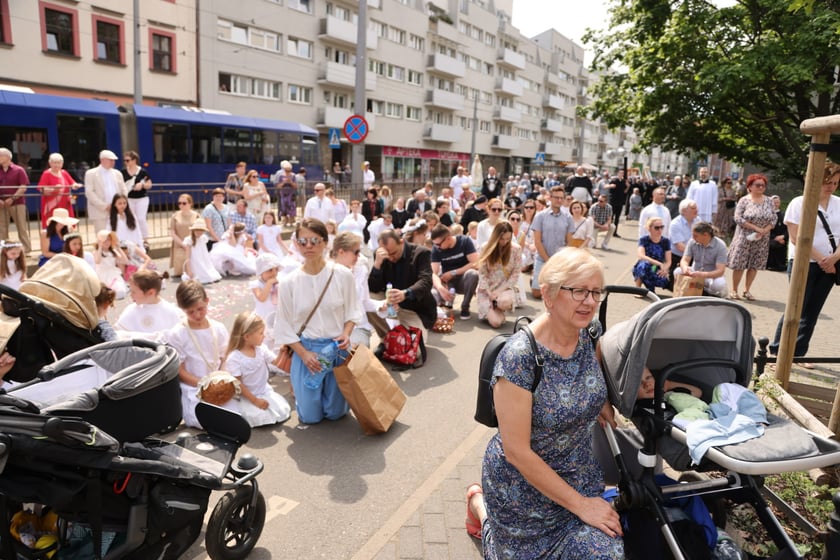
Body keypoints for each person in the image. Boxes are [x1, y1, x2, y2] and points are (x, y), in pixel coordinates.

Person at [465, 249, 623, 558]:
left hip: (578, 474)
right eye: (578, 290)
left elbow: (591, 368)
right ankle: (481, 508)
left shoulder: (590, 331)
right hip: (522, 488)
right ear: (548, 295)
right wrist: (582, 506)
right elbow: (517, 452)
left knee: (607, 553)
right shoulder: (519, 358)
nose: (589, 301)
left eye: (595, 292)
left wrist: (599, 399)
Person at [274, 218, 360, 424]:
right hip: (307, 352)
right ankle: (303, 394)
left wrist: (346, 333)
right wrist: (303, 354)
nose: (309, 246)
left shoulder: (342, 274)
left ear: (325, 242)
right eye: (303, 241)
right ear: (296, 244)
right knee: (310, 417)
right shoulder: (288, 282)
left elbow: (352, 311)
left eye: (314, 240)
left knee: (336, 413)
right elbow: (283, 325)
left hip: (336, 349)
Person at [769, 162, 840, 358]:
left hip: (830, 265)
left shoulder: (838, 203)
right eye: (828, 182)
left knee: (813, 312)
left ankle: (799, 353)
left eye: (835, 183)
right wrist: (822, 259)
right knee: (795, 308)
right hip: (804, 263)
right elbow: (796, 237)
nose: (831, 187)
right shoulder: (799, 202)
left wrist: (833, 259)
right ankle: (777, 352)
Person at [167, 280, 235, 428]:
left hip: (219, 383)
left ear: (207, 301)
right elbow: (180, 370)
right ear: (182, 309)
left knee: (237, 415)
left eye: (200, 309)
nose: (197, 315)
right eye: (190, 312)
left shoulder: (218, 328)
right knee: (204, 420)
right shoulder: (178, 333)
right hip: (193, 387)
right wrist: (204, 384)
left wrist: (221, 379)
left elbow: (225, 358)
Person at [368, 229, 436, 362]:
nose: (391, 258)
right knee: (368, 300)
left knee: (413, 353)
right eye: (388, 255)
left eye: (393, 253)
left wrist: (406, 294)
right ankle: (387, 339)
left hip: (414, 309)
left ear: (401, 242)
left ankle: (398, 341)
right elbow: (373, 288)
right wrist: (377, 264)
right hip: (390, 303)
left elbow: (426, 281)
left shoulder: (420, 253)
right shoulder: (382, 256)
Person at [222, 311, 291, 427]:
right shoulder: (234, 357)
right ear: (247, 336)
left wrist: (282, 352)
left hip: (264, 391)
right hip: (248, 396)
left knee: (281, 409)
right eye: (260, 333)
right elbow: (238, 384)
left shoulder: (261, 349)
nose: (264, 336)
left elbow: (276, 363)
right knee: (259, 416)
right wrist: (255, 400)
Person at [725, 174, 775, 301]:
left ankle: (747, 290)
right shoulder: (744, 200)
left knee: (754, 264)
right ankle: (734, 290)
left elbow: (774, 218)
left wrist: (764, 230)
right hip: (745, 236)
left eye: (763, 185)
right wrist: (756, 228)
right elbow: (738, 218)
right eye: (757, 185)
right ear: (750, 186)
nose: (760, 187)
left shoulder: (769, 201)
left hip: (762, 238)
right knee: (740, 264)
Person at [331, 232, 378, 347]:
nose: (359, 256)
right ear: (341, 252)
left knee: (354, 350)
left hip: (358, 327)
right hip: (331, 329)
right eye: (356, 252)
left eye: (359, 252)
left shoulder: (361, 270)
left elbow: (365, 302)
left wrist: (384, 305)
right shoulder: (326, 273)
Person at [530, 186, 575, 298]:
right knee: (537, 294)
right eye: (556, 198)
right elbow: (537, 241)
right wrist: (547, 261)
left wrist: (560, 260)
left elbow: (570, 242)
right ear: (550, 198)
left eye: (561, 198)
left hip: (560, 260)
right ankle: (535, 278)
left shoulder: (568, 217)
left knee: (557, 294)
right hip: (542, 258)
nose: (559, 200)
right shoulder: (540, 216)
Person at [114, 269, 183, 340]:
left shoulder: (171, 311)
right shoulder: (131, 310)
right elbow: (117, 335)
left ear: (151, 292)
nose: (131, 295)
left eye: (134, 292)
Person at [476, 221, 522, 328]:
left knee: (504, 302)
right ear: (496, 236)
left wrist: (498, 292)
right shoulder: (485, 247)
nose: (505, 242)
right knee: (496, 323)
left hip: (504, 288)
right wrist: (489, 292)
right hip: (486, 288)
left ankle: (499, 307)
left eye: (508, 238)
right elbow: (482, 273)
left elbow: (515, 274)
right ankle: (494, 311)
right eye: (502, 238)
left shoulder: (516, 249)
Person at [430, 223, 479, 319]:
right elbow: (433, 273)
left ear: (448, 238)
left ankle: (465, 307)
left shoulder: (464, 241)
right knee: (434, 293)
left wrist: (454, 272)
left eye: (439, 244)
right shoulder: (436, 248)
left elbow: (475, 263)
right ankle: (444, 305)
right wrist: (440, 288)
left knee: (473, 274)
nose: (437, 247)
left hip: (464, 280)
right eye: (435, 244)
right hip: (448, 282)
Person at [673, 221, 728, 297]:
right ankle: (695, 290)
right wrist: (685, 268)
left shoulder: (720, 245)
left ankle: (712, 294)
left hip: (710, 276)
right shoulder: (692, 242)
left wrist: (703, 275)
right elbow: (685, 260)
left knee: (719, 284)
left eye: (695, 236)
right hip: (695, 272)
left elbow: (720, 271)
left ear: (705, 235)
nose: (693, 238)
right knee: (677, 271)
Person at [84, 149, 127, 234]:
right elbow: (89, 192)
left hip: (117, 210)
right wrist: (104, 206)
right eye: (110, 160)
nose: (113, 162)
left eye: (114, 160)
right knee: (103, 237)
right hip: (100, 212)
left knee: (119, 235)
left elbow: (124, 189)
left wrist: (121, 203)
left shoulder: (118, 173)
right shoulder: (91, 173)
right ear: (102, 160)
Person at [0, 147, 32, 253]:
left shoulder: (19, 170)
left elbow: (23, 186)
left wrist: (13, 198)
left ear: (7, 157)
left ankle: (26, 249)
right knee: (2, 228)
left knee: (21, 227)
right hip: (1, 204)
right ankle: (3, 249)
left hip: (17, 203)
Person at [37, 152, 79, 228]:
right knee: (53, 224)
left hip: (65, 203)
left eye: (59, 163)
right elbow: (41, 188)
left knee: (66, 224)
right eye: (54, 163)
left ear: (62, 164)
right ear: (50, 163)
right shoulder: (46, 174)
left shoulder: (64, 172)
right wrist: (54, 189)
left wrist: (75, 185)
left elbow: (72, 183)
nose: (57, 165)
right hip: (51, 204)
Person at [632, 217, 672, 292]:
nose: (660, 230)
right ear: (649, 228)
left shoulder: (666, 241)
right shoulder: (644, 240)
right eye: (657, 228)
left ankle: (650, 289)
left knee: (663, 281)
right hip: (645, 265)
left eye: (662, 227)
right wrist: (659, 263)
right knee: (644, 266)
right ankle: (638, 289)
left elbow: (668, 260)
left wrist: (664, 269)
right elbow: (641, 256)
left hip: (656, 267)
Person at [122, 151, 152, 243]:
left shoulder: (142, 172)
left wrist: (142, 186)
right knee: (130, 218)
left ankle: (145, 238)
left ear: (134, 160)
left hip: (142, 198)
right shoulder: (122, 172)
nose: (126, 162)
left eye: (128, 160)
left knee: (141, 218)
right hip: (129, 199)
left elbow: (149, 184)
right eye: (125, 161)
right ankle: (133, 237)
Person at [668, 199, 699, 282]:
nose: (696, 210)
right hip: (677, 257)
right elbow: (679, 246)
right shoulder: (675, 224)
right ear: (684, 211)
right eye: (693, 208)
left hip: (695, 256)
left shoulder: (698, 220)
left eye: (696, 207)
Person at [170, 193, 200, 277]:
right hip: (180, 245)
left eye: (184, 203)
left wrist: (192, 243)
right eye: (179, 203)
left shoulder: (196, 215)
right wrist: (184, 244)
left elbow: (200, 231)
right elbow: (173, 233)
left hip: (193, 244)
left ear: (190, 203)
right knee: (180, 272)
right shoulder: (175, 216)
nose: (181, 205)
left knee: (195, 270)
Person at [184, 220, 222, 284]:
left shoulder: (203, 238)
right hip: (195, 261)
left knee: (211, 275)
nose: (199, 232)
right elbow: (187, 256)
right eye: (197, 230)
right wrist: (189, 270)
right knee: (201, 276)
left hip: (203, 259)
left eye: (201, 230)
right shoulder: (189, 240)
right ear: (193, 230)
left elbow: (204, 251)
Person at [93, 230, 128, 299]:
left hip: (113, 275)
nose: (107, 242)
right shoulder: (96, 252)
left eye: (109, 240)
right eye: (105, 240)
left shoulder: (113, 251)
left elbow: (125, 261)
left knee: (121, 292)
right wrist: (100, 247)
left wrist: (118, 248)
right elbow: (97, 261)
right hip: (102, 275)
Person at [766, 195, 788, 272]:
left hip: (782, 238)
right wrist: (775, 237)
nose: (775, 204)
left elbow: (789, 228)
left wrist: (784, 236)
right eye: (774, 202)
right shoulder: (767, 215)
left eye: (777, 202)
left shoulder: (784, 214)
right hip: (770, 237)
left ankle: (780, 265)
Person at [274, 160, 298, 227]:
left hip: (291, 195)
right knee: (283, 208)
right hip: (283, 194)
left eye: (289, 170)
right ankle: (285, 221)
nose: (288, 172)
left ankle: (291, 221)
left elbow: (296, 186)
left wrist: (290, 182)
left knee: (292, 208)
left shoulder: (293, 176)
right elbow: (278, 186)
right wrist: (284, 182)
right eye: (286, 170)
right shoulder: (281, 176)